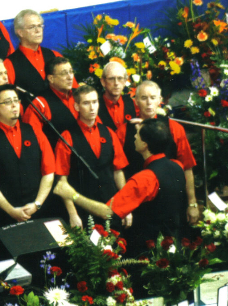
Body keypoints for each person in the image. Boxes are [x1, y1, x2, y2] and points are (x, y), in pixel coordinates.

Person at [52, 118, 187, 258]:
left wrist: (72, 194)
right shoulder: (177, 166)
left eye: (138, 134)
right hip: (174, 245)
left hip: (149, 253)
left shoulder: (145, 178)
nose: (134, 136)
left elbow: (107, 212)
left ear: (145, 144)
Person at [0, 85, 55, 232]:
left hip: (38, 211)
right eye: (7, 102)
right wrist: (11, 210)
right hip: (4, 215)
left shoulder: (35, 131)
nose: (14, 105)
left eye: (16, 100)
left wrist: (37, 204)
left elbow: (49, 172)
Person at [55, 85, 129, 229]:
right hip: (83, 208)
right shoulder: (67, 137)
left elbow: (118, 172)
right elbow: (62, 182)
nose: (92, 107)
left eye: (95, 102)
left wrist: (126, 207)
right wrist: (72, 214)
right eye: (86, 103)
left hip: (111, 205)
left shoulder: (109, 133)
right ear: (76, 106)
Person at [126, 81, 200, 225]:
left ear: (160, 100)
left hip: (171, 202)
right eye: (143, 98)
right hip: (139, 204)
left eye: (153, 98)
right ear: (135, 101)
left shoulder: (175, 128)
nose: (148, 103)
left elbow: (187, 167)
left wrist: (192, 203)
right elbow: (120, 170)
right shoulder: (124, 131)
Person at [4, 10, 73, 97]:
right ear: (20, 32)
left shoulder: (55, 55)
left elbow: (73, 88)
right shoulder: (9, 64)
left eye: (40, 26)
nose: (38, 31)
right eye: (32, 27)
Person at [22, 57, 79, 150]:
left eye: (71, 71)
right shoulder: (40, 103)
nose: (70, 77)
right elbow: (33, 139)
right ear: (51, 78)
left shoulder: (79, 95)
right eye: (64, 73)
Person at [97, 61, 137, 145]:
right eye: (111, 79)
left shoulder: (133, 104)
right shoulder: (95, 106)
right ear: (103, 82)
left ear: (125, 81)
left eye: (120, 78)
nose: (116, 83)